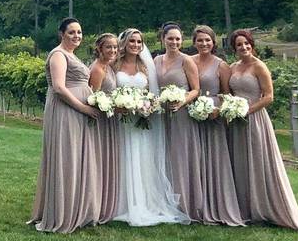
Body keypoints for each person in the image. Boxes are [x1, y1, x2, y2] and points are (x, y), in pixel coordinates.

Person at [227, 29, 298, 235]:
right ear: (234, 48)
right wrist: (232, 109)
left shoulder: (259, 66)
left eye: (246, 44)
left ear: (252, 45)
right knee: (241, 162)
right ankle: (244, 208)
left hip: (255, 119)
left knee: (259, 162)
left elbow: (269, 97)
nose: (243, 47)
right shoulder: (233, 67)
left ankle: (264, 207)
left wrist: (247, 111)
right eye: (239, 45)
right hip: (236, 122)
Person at [29, 18, 101, 233]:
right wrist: (83, 108)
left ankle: (79, 208)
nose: (76, 36)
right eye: (71, 32)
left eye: (79, 32)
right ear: (62, 34)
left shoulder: (71, 55)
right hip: (65, 111)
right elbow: (59, 88)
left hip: (77, 111)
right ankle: (63, 213)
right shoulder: (58, 55)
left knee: (78, 157)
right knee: (66, 158)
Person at [112, 28, 189, 227]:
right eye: (132, 42)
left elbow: (152, 94)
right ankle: (120, 202)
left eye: (139, 42)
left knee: (142, 158)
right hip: (121, 122)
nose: (136, 45)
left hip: (140, 121)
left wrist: (147, 107)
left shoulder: (146, 66)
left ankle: (144, 202)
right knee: (122, 159)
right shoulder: (115, 64)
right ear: (124, 44)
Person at [185, 25, 246, 226]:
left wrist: (218, 111)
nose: (204, 44)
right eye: (200, 40)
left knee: (213, 160)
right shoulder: (188, 61)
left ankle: (216, 205)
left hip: (214, 118)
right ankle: (193, 205)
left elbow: (227, 94)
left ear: (213, 42)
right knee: (193, 160)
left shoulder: (221, 65)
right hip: (191, 116)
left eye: (207, 40)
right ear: (194, 42)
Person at [154, 23, 205, 222]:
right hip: (161, 115)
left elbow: (196, 89)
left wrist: (181, 100)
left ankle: (188, 203)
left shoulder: (187, 61)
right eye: (170, 38)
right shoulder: (156, 60)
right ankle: (165, 201)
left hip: (182, 115)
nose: (174, 42)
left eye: (177, 39)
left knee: (182, 155)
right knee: (163, 155)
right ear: (163, 39)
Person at [88, 33, 119, 224]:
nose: (113, 51)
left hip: (111, 120)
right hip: (102, 122)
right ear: (100, 48)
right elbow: (94, 98)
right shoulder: (98, 69)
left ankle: (106, 203)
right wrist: (116, 106)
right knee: (101, 161)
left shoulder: (109, 66)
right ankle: (96, 206)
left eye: (115, 47)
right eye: (109, 47)